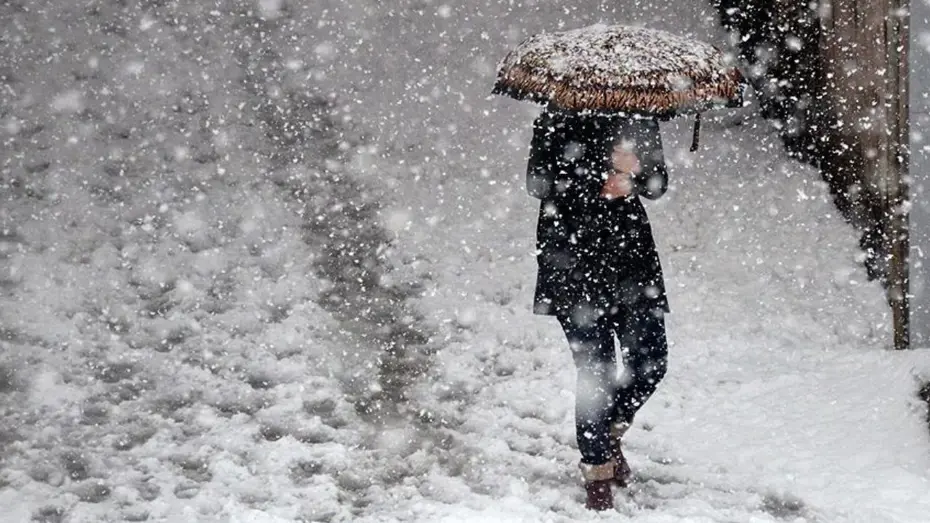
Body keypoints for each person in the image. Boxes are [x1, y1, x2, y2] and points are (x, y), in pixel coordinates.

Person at [525, 107, 670, 511]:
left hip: (631, 261)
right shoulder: (555, 119)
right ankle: (597, 474)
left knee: (651, 360)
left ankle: (606, 433)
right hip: (572, 259)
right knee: (596, 372)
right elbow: (539, 183)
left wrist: (636, 174)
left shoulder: (639, 116)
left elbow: (657, 185)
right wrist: (600, 178)